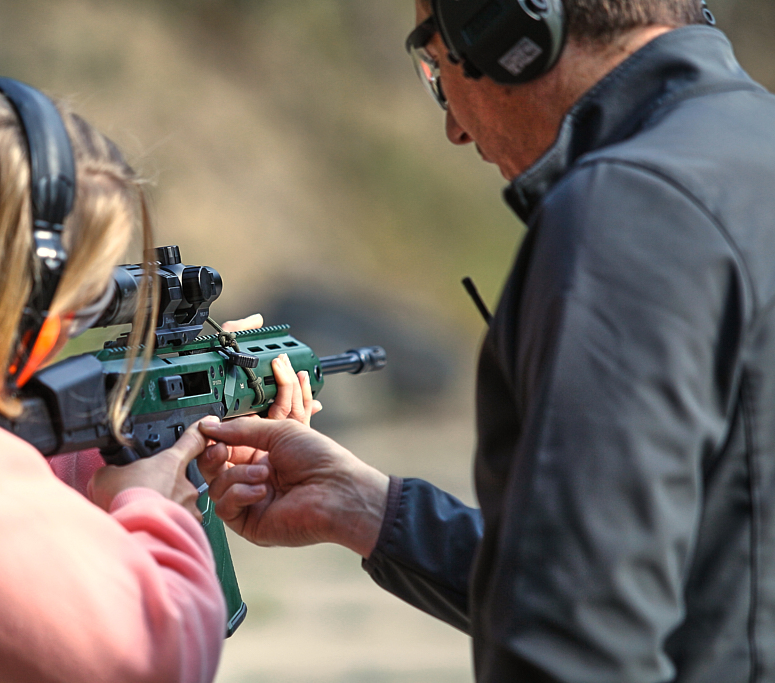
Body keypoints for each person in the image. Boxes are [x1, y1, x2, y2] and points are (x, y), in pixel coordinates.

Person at [197, 1, 775, 681]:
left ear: (504, 30)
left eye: (437, 66)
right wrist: (367, 509)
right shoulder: (750, 150)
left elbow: (574, 637)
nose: (453, 129)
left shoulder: (625, 214)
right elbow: (678, 577)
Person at [0, 78, 313, 682]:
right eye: (79, 302)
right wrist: (152, 503)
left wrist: (119, 449)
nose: (67, 330)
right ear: (13, 293)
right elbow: (157, 661)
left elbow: (3, 491)